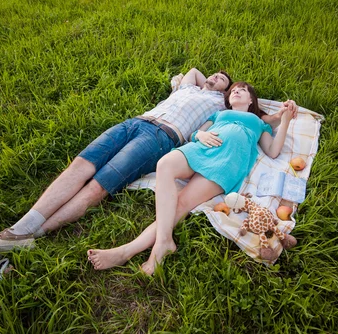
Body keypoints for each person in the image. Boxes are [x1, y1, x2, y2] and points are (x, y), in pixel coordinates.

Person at [87, 82, 296, 275]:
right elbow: (196, 132)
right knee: (165, 164)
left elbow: (273, 150)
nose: (235, 91)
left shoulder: (258, 122)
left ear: (251, 100)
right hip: (199, 149)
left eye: (242, 90)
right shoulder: (219, 114)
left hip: (227, 161)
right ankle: (164, 240)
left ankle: (130, 250)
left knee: (181, 204)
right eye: (232, 90)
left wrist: (285, 119)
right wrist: (200, 136)